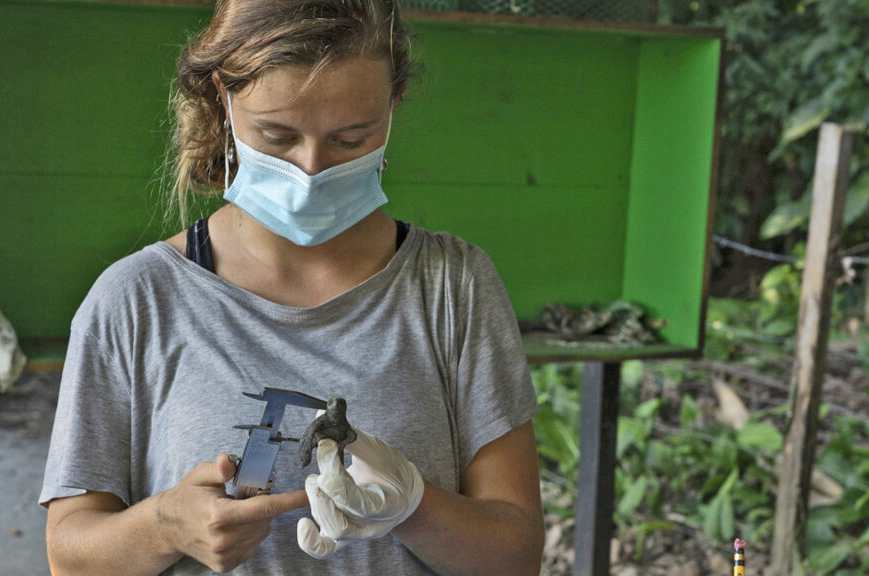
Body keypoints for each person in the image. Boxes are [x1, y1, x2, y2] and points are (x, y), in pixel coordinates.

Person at [39, 0, 544, 574]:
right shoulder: (135, 299)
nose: (311, 170)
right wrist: (167, 525)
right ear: (224, 100)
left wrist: (413, 505)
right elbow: (70, 556)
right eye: (277, 137)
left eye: (350, 140)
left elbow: (515, 555)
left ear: (394, 103)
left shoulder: (453, 287)